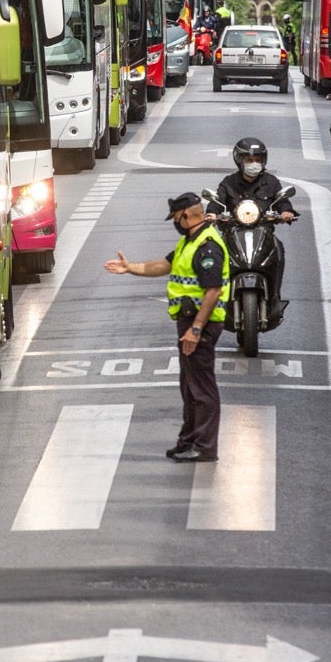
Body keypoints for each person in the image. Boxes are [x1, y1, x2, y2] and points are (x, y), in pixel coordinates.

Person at [104, 192, 229, 462]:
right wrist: (130, 267)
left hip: (201, 324)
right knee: (189, 385)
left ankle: (205, 447)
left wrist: (195, 329)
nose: (174, 221)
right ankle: (188, 440)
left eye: (175, 216)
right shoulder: (189, 242)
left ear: (186, 215)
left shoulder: (208, 246)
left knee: (202, 389)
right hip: (189, 321)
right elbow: (163, 265)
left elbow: (213, 291)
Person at [209, 137, 297, 321]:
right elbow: (217, 202)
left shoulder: (271, 182)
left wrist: (286, 212)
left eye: (257, 160)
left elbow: (282, 202)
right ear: (239, 161)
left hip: (263, 231)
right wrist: (212, 215)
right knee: (214, 254)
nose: (254, 164)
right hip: (233, 232)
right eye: (249, 160)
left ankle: (274, 295)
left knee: (278, 250)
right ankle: (217, 296)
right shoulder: (229, 182)